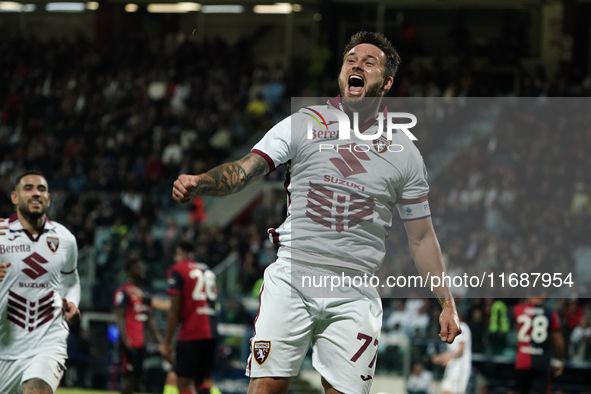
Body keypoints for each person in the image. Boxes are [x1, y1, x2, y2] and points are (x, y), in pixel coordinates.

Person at [172, 31, 461, 394]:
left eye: (369, 62)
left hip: (355, 287)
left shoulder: (404, 152)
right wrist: (203, 182)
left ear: (387, 82)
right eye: (351, 59)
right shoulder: (304, 122)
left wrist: (446, 304)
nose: (357, 64)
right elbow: (245, 171)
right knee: (265, 389)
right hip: (295, 273)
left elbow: (420, 236)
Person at [0, 170, 81, 394]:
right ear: (14, 197)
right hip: (4, 346)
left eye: (42, 189)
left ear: (48, 198)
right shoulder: (1, 233)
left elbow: (71, 280)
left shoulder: (65, 238)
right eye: (28, 188)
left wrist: (73, 303)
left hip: (47, 342)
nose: (36, 194)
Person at [159, 241, 219, 394]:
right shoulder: (207, 270)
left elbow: (174, 310)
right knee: (202, 380)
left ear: (180, 253)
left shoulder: (178, 270)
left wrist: (166, 342)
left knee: (183, 382)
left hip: (192, 331)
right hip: (211, 331)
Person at [114, 257, 163, 394]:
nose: (143, 270)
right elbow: (119, 315)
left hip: (141, 342)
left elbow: (150, 321)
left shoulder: (144, 295)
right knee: (128, 378)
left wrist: (160, 342)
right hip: (130, 341)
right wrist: (124, 339)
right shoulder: (124, 291)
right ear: (131, 271)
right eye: (139, 267)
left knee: (137, 379)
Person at [513, 297, 564, 394]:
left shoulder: (518, 309)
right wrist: (560, 359)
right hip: (542, 361)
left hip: (522, 360)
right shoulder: (550, 312)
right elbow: (558, 340)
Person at [432, 317, 471, 394]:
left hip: (460, 367)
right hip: (452, 366)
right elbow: (451, 352)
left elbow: (460, 350)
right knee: (446, 390)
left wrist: (445, 359)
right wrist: (440, 358)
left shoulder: (462, 327)